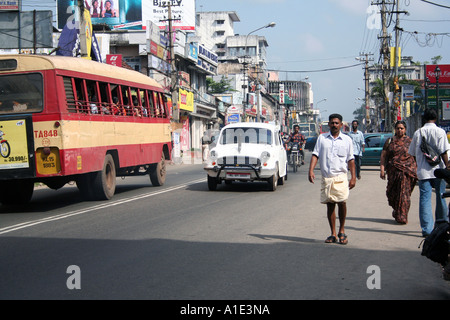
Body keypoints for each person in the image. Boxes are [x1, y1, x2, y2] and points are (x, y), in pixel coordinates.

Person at [308, 113, 356, 244]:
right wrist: (311, 170)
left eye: (336, 123)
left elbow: (351, 160)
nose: (334, 125)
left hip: (341, 177)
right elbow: (315, 154)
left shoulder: (347, 140)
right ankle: (333, 233)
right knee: (330, 205)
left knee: (342, 202)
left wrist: (353, 177)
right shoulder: (322, 138)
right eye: (332, 123)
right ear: (328, 124)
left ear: (341, 125)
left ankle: (342, 231)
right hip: (327, 178)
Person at [408, 108, 450, 237]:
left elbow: (413, 153)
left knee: (425, 199)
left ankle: (427, 229)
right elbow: (444, 151)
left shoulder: (418, 132)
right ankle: (441, 225)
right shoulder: (440, 132)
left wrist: (419, 165)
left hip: (423, 172)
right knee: (441, 197)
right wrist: (447, 166)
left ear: (424, 118)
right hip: (439, 171)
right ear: (436, 118)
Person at [380, 120, 418, 224]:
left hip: (407, 172)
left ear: (405, 130)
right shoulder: (390, 141)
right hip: (393, 172)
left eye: (402, 128)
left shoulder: (411, 142)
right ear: (395, 129)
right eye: (398, 128)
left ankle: (403, 216)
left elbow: (415, 156)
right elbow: (383, 155)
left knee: (404, 194)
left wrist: (417, 170)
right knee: (392, 194)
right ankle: (397, 210)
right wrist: (382, 169)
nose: (399, 130)